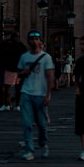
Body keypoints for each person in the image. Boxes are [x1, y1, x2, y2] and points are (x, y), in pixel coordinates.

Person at [17, 30, 55, 160]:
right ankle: (29, 150)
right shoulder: (24, 57)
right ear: (28, 41)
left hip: (40, 94)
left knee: (42, 125)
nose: (34, 41)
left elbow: (50, 77)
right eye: (32, 39)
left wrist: (48, 95)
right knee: (27, 124)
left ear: (40, 41)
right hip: (26, 92)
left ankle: (43, 144)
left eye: (36, 39)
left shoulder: (46, 58)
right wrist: (24, 73)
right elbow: (19, 74)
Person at [0, 31, 27, 112]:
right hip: (19, 70)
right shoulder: (21, 46)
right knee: (18, 88)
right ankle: (17, 105)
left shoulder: (6, 44)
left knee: (7, 88)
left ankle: (7, 104)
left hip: (9, 69)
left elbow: (1, 55)